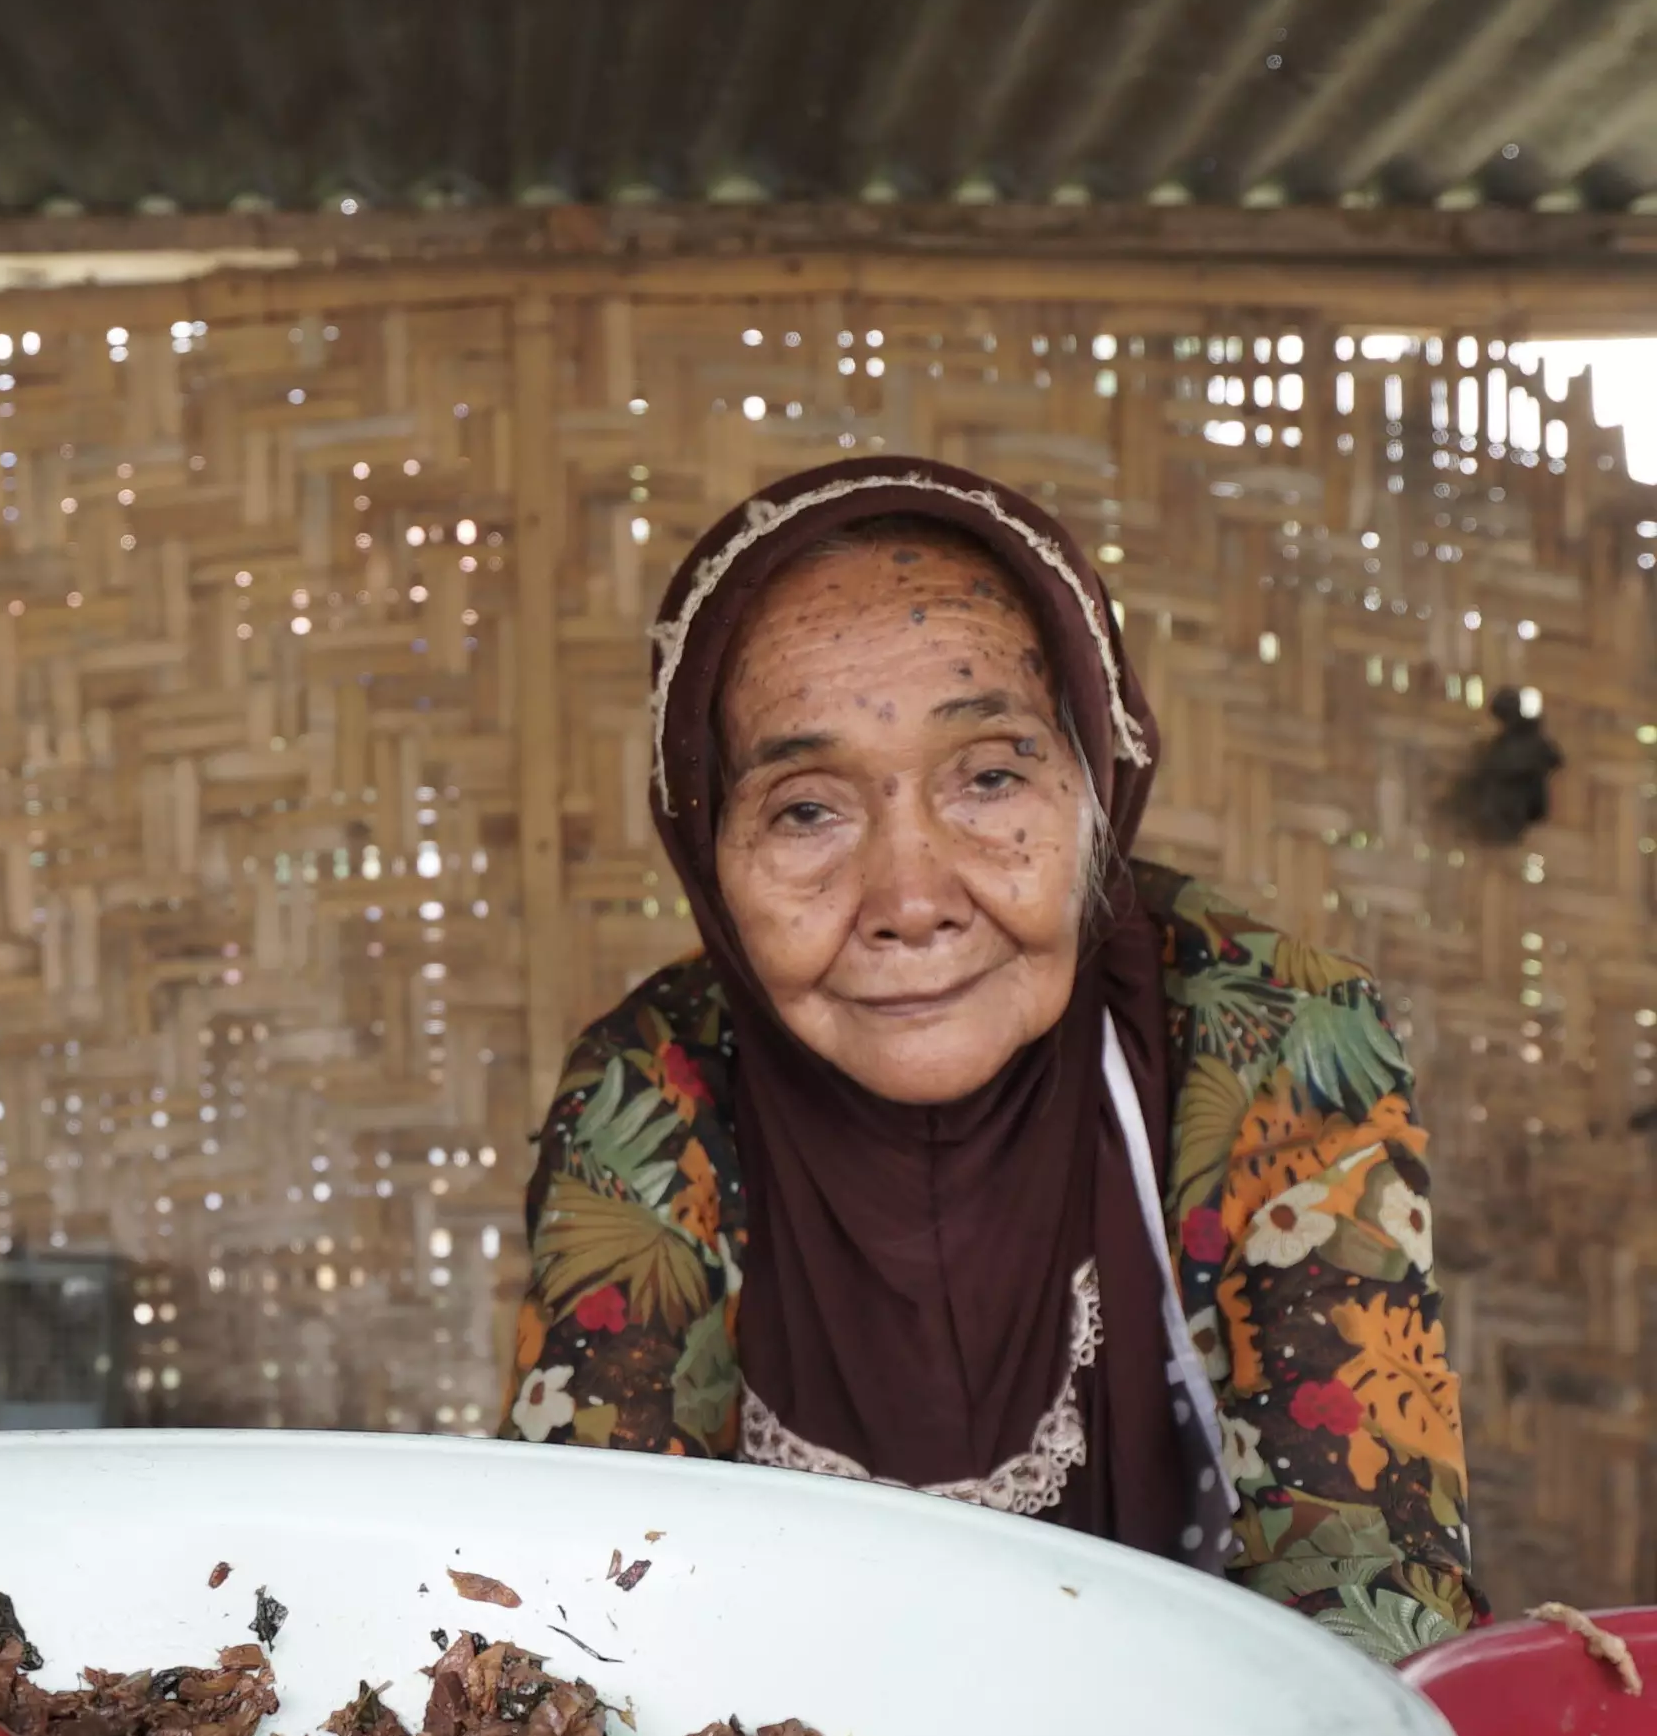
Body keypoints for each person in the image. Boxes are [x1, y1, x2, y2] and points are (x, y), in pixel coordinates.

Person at [502, 456, 1481, 1666]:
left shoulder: (1271, 1035)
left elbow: (1368, 1623)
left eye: (991, 776)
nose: (910, 899)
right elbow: (583, 1624)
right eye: (805, 808)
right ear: (707, 846)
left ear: (1093, 783)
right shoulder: (651, 1088)